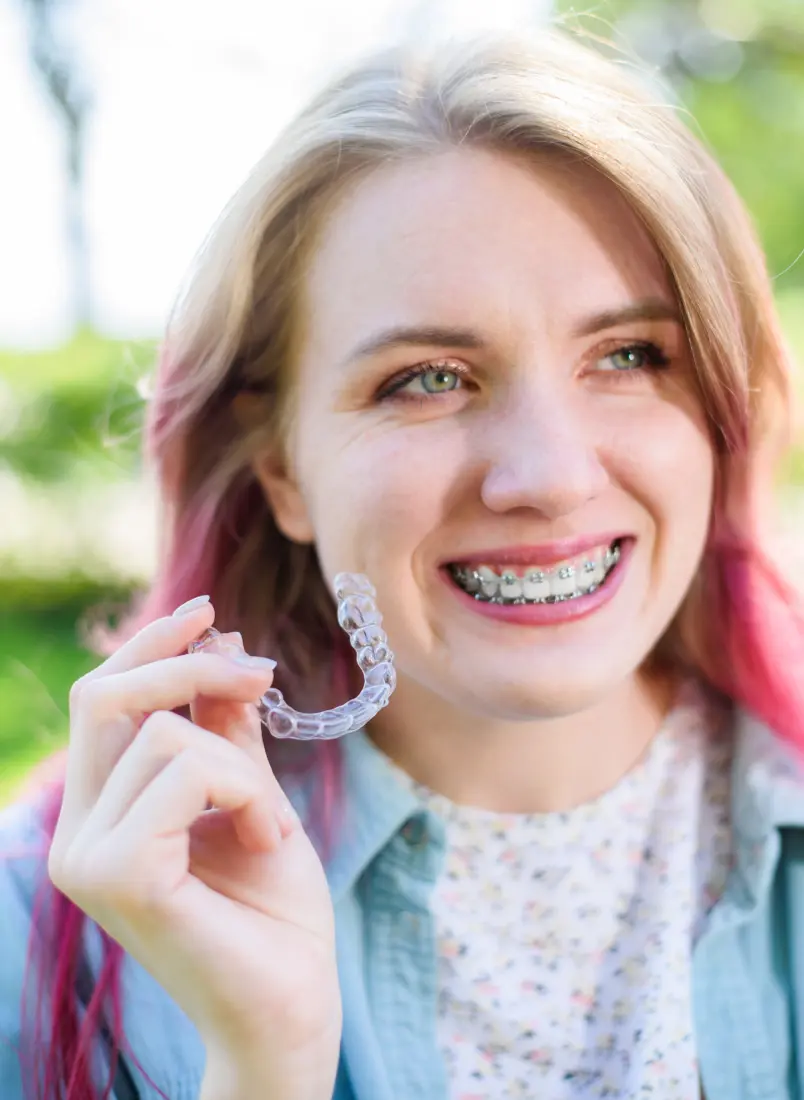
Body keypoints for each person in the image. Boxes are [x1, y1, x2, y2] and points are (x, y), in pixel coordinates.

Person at [1, 23, 803, 1100]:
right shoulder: (45, 925)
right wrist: (262, 1065)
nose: (550, 476)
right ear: (280, 466)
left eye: (628, 355)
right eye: (428, 377)